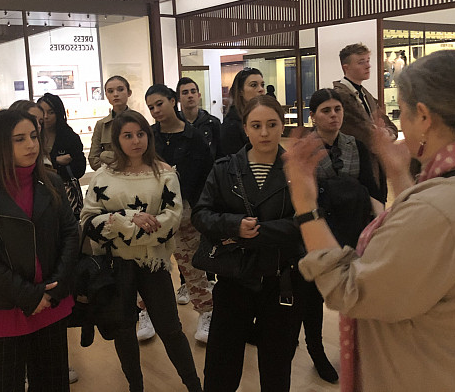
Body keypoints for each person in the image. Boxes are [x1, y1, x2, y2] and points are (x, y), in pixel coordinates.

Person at [284, 50, 455, 392]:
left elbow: (350, 290)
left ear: (423, 116)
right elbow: (429, 250)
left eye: (403, 112)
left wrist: (305, 205)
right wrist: (398, 174)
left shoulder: (440, 210)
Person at [80, 110, 203, 392]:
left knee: (170, 328)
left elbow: (172, 219)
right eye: (127, 135)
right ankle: (136, 386)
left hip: (154, 264)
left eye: (140, 134)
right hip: (115, 266)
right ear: (116, 140)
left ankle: (194, 385)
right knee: (124, 329)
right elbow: (89, 220)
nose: (136, 141)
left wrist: (125, 231)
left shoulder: (165, 174)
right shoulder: (103, 176)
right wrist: (127, 219)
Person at [0, 109, 79, 392]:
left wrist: (54, 289)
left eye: (34, 136)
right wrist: (29, 295)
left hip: (50, 304)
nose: (31, 145)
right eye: (19, 139)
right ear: (0, 144)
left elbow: (71, 234)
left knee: (53, 383)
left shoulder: (51, 182)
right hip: (6, 309)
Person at [192, 95, 306, 392]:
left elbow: (308, 221)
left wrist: (259, 232)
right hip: (234, 278)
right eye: (256, 125)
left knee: (276, 366)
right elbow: (201, 214)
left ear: (283, 125)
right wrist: (233, 225)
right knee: (221, 366)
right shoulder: (224, 168)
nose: (265, 133)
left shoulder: (298, 170)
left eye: (272, 124)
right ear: (245, 128)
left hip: (281, 281)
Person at [299, 88, 384, 383]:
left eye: (337, 109)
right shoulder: (304, 148)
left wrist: (381, 221)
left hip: (352, 226)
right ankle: (316, 350)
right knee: (312, 295)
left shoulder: (355, 145)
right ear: (313, 116)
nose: (334, 115)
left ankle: (356, 346)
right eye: (326, 110)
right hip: (317, 229)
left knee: (355, 287)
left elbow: (370, 186)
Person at [145, 84, 214, 343]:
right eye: (151, 107)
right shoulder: (150, 136)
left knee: (192, 265)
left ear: (172, 101)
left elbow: (204, 176)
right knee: (150, 263)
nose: (155, 111)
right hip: (155, 212)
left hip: (186, 210)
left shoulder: (194, 137)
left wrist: (198, 210)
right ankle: (145, 311)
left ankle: (206, 313)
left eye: (159, 104)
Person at [333, 43, 398, 203]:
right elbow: (367, 136)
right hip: (356, 168)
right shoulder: (341, 98)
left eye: (368, 60)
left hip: (376, 166)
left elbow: (391, 127)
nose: (368, 66)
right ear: (346, 67)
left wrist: (385, 133)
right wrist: (383, 135)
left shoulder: (366, 95)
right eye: (361, 62)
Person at [37, 93, 86, 217]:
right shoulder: (33, 135)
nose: (46, 116)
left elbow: (79, 168)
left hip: (66, 194)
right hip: (39, 191)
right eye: (42, 112)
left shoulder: (69, 137)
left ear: (58, 113)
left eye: (51, 112)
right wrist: (55, 161)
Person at [89, 75, 133, 170]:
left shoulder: (139, 120)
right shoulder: (102, 125)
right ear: (106, 95)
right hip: (110, 176)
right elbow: (93, 159)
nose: (115, 94)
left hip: (136, 173)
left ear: (129, 93)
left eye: (120, 89)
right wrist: (113, 167)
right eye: (110, 91)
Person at [220, 67, 265, 156]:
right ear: (240, 91)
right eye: (253, 85)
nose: (261, 89)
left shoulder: (264, 117)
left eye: (262, 85)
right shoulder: (231, 124)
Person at [176, 77, 222, 160]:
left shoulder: (213, 123)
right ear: (178, 99)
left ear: (199, 95)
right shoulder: (175, 124)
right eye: (185, 93)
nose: (190, 95)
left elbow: (220, 153)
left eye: (193, 91)